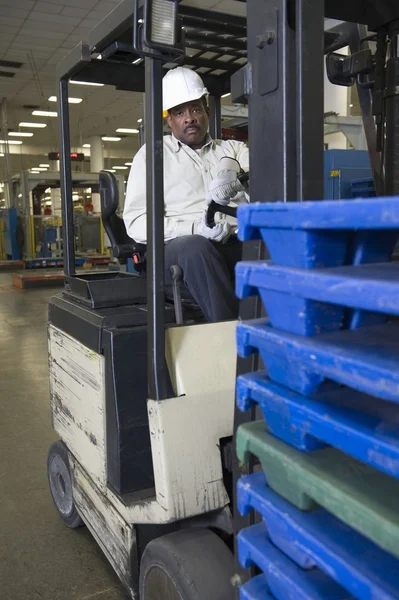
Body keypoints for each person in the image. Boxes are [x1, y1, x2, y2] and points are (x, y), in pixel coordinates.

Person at [123, 66, 249, 322]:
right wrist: (194, 227)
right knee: (196, 247)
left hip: (234, 240)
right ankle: (231, 339)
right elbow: (136, 222)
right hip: (180, 249)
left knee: (275, 240)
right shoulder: (152, 156)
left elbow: (268, 185)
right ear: (169, 120)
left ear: (207, 112)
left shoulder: (233, 148)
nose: (189, 118)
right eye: (179, 113)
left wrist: (233, 170)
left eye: (195, 109)